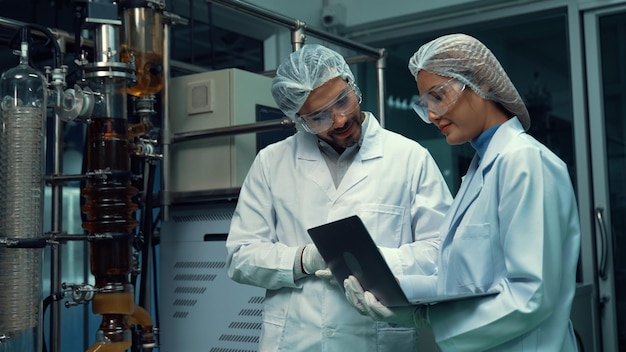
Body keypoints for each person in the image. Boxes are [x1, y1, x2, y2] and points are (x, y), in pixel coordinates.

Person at [343, 33, 582, 351]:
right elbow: (461, 282)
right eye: (425, 104)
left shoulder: (525, 161)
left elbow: (530, 296)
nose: (431, 116)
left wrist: (427, 319)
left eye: (438, 97)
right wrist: (396, 290)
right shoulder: (479, 170)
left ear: (482, 84)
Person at [225, 44, 452, 351]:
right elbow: (240, 256)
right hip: (297, 339)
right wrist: (303, 259)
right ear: (300, 121)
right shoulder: (271, 163)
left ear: (352, 85)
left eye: (342, 100)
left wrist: (377, 261)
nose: (340, 120)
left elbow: (443, 252)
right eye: (319, 117)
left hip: (376, 338)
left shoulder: (410, 158)